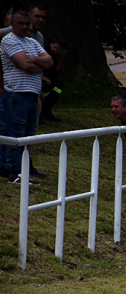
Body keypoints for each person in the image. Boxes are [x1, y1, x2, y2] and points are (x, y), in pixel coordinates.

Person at [0, 10, 52, 185]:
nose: (24, 27)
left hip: (32, 94)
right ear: (12, 24)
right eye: (20, 23)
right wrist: (36, 63)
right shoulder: (9, 40)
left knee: (28, 134)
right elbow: (23, 64)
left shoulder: (32, 42)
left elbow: (49, 62)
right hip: (16, 93)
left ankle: (20, 169)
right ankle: (13, 171)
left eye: (26, 23)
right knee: (15, 133)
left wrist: (31, 61)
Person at [40, 40, 66, 123]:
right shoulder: (43, 48)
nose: (57, 57)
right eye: (57, 55)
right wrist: (41, 76)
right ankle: (39, 112)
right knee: (44, 86)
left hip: (46, 77)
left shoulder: (54, 57)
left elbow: (55, 73)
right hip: (36, 76)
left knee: (58, 84)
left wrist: (62, 60)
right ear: (55, 48)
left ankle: (46, 111)